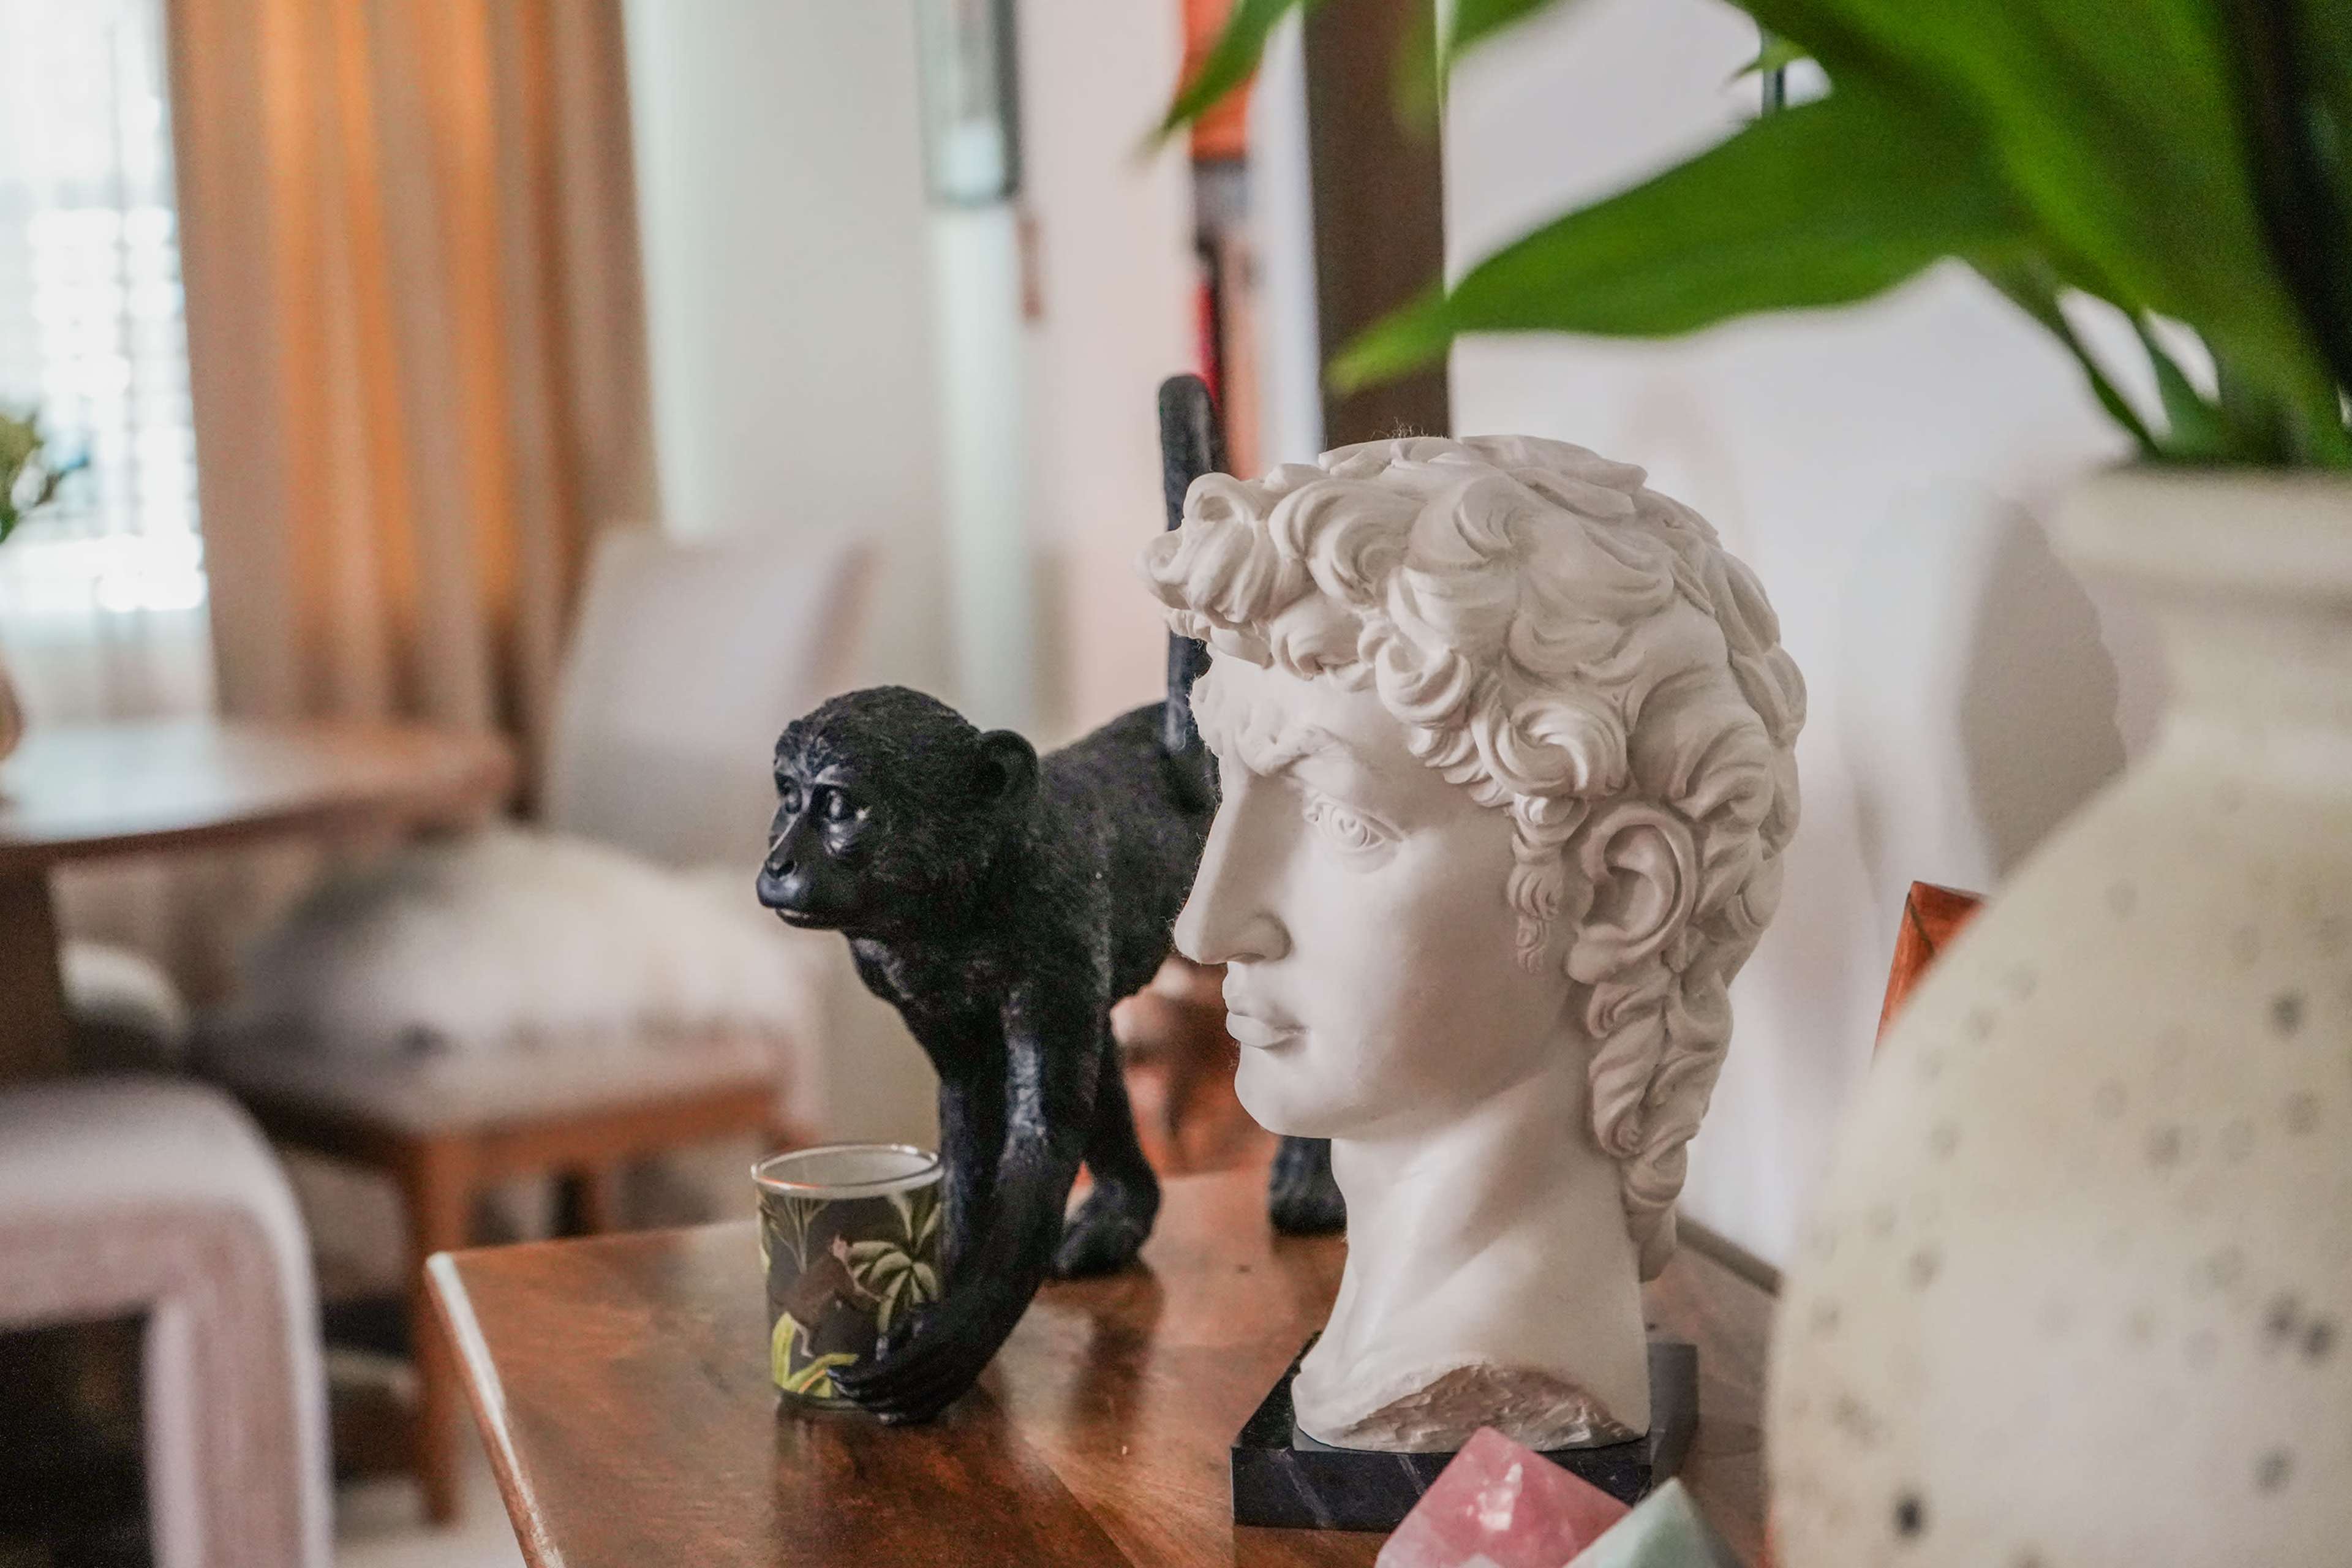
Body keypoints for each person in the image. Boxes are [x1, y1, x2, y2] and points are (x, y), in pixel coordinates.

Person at [1142, 435, 1803, 1451]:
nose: (1209, 925)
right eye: (1229, 789)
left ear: (1619, 896)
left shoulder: (1524, 1365)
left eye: (1343, 822)